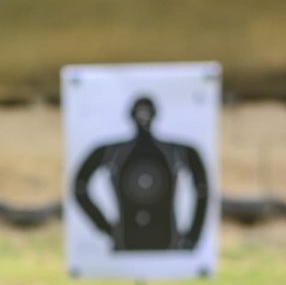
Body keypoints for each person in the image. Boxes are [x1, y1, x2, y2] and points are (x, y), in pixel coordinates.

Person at [72, 95, 209, 251]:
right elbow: (80, 187)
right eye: (140, 113)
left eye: (146, 113)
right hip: (130, 239)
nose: (143, 118)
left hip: (162, 239)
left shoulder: (175, 151)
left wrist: (194, 235)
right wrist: (105, 227)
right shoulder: (115, 151)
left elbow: (202, 190)